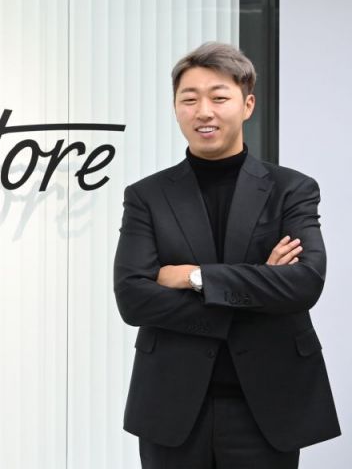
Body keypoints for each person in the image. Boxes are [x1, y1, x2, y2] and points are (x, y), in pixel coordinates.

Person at [113, 41, 340, 468]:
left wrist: (195, 277)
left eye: (219, 98)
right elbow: (133, 298)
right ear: (175, 108)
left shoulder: (291, 189)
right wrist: (260, 287)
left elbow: (305, 283)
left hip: (268, 404)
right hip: (172, 403)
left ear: (247, 104)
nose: (204, 111)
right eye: (189, 99)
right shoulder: (147, 196)